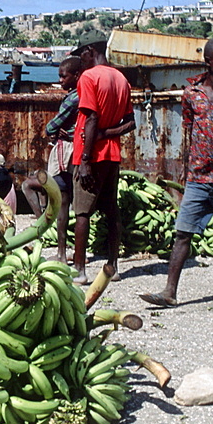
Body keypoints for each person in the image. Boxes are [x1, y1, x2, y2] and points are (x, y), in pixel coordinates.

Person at [139, 38, 213, 308]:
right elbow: (190, 130)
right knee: (183, 233)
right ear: (208, 62)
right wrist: (187, 169)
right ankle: (170, 292)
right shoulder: (191, 94)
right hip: (198, 178)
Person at [70, 32, 136, 284]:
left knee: (82, 212)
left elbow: (91, 117)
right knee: (110, 209)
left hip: (91, 155)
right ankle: (113, 265)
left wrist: (85, 158)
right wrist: (109, 133)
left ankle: (79, 269)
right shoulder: (121, 78)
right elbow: (130, 122)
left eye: (81, 55)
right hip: (112, 154)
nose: (80, 60)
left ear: (89, 51)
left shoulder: (89, 77)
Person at [22, 55, 82, 262]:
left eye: (64, 77)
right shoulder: (87, 94)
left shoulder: (74, 98)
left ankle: (61, 253)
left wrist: (56, 131)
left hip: (67, 151)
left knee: (62, 199)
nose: (61, 81)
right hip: (80, 149)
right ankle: (78, 253)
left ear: (76, 75)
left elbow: (51, 127)